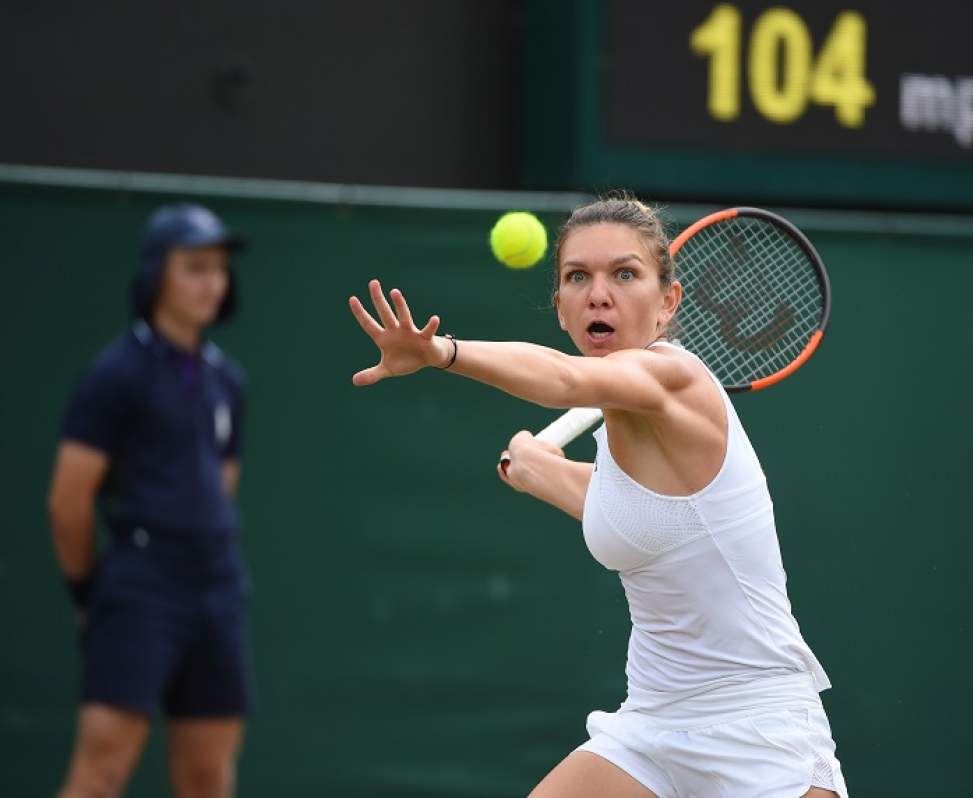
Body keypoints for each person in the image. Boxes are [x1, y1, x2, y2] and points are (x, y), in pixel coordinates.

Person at [348, 196, 849, 798]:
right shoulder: (624, 430)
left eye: (625, 274)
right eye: (577, 277)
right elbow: (643, 516)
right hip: (652, 726)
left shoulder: (676, 378)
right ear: (560, 308)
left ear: (668, 304)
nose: (599, 293)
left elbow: (562, 379)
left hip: (758, 732)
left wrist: (440, 352)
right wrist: (537, 472)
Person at [47, 203, 252, 798]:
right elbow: (68, 500)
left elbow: (223, 483)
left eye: (218, 268)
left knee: (208, 777)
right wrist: (91, 593)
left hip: (216, 585)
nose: (211, 282)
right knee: (103, 769)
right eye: (193, 267)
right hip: (140, 586)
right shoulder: (115, 374)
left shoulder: (227, 381)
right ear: (155, 275)